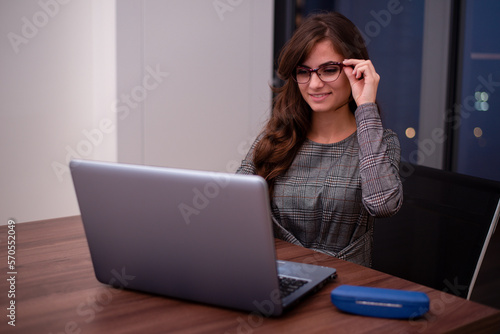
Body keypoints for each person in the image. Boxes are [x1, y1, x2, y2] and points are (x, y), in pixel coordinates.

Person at [236, 12, 403, 267]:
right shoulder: (277, 138)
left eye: (329, 70)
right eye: (304, 71)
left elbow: (382, 205)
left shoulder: (380, 143)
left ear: (355, 71)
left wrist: (366, 105)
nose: (314, 84)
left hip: (347, 285)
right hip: (279, 277)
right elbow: (233, 207)